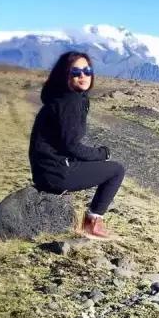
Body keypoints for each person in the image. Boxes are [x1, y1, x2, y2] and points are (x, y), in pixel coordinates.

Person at [29, 51, 125, 239]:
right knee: (116, 170)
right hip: (55, 174)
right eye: (76, 71)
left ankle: (91, 221)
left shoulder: (61, 97)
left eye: (87, 70)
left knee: (102, 165)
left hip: (45, 171)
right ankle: (93, 222)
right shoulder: (69, 101)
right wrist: (102, 154)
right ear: (65, 74)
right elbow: (71, 146)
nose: (83, 75)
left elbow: (64, 144)